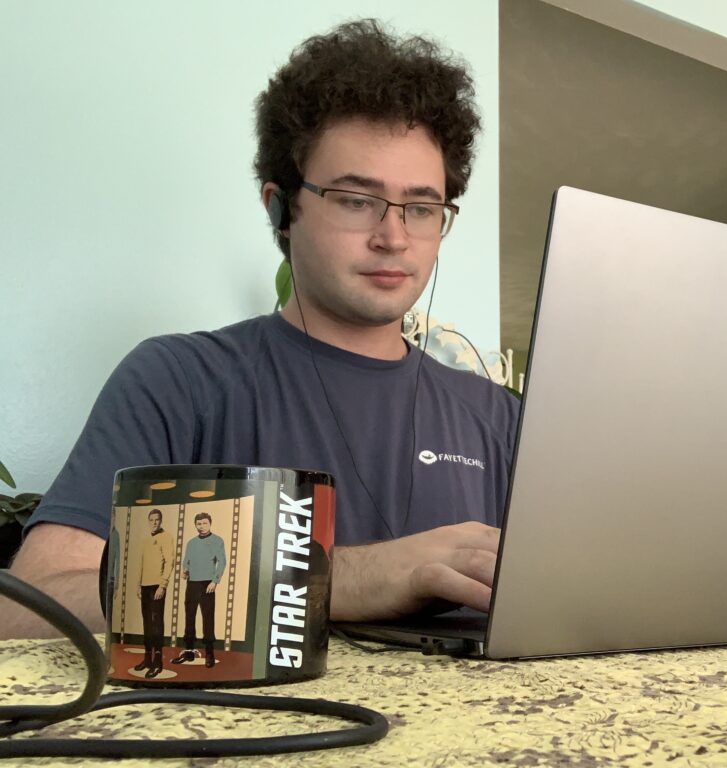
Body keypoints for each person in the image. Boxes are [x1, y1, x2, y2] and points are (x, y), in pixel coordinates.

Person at [5, 19, 519, 639]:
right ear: (280, 208)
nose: (394, 236)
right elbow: (27, 609)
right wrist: (343, 580)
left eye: (421, 207)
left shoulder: (497, 417)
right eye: (356, 199)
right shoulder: (180, 382)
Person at [173, 512, 226, 668]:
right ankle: (188, 651)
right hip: (192, 584)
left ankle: (209, 653)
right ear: (195, 525)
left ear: (210, 523)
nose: (201, 526)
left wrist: (215, 581)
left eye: (204, 523)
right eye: (198, 523)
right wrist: (185, 570)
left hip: (207, 585)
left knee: (207, 619)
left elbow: (222, 562)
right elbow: (186, 561)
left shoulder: (217, 541)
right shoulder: (191, 542)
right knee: (189, 618)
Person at [136, 509, 172, 678]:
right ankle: (147, 659)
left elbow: (169, 562)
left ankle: (158, 663)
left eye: (157, 519)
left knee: (156, 623)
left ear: (161, 520)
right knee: (146, 624)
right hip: (145, 586)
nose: (155, 522)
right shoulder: (145, 540)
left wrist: (162, 586)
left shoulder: (166, 538)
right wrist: (138, 585)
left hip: (157, 586)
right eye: (152, 520)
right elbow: (142, 564)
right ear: (148, 521)